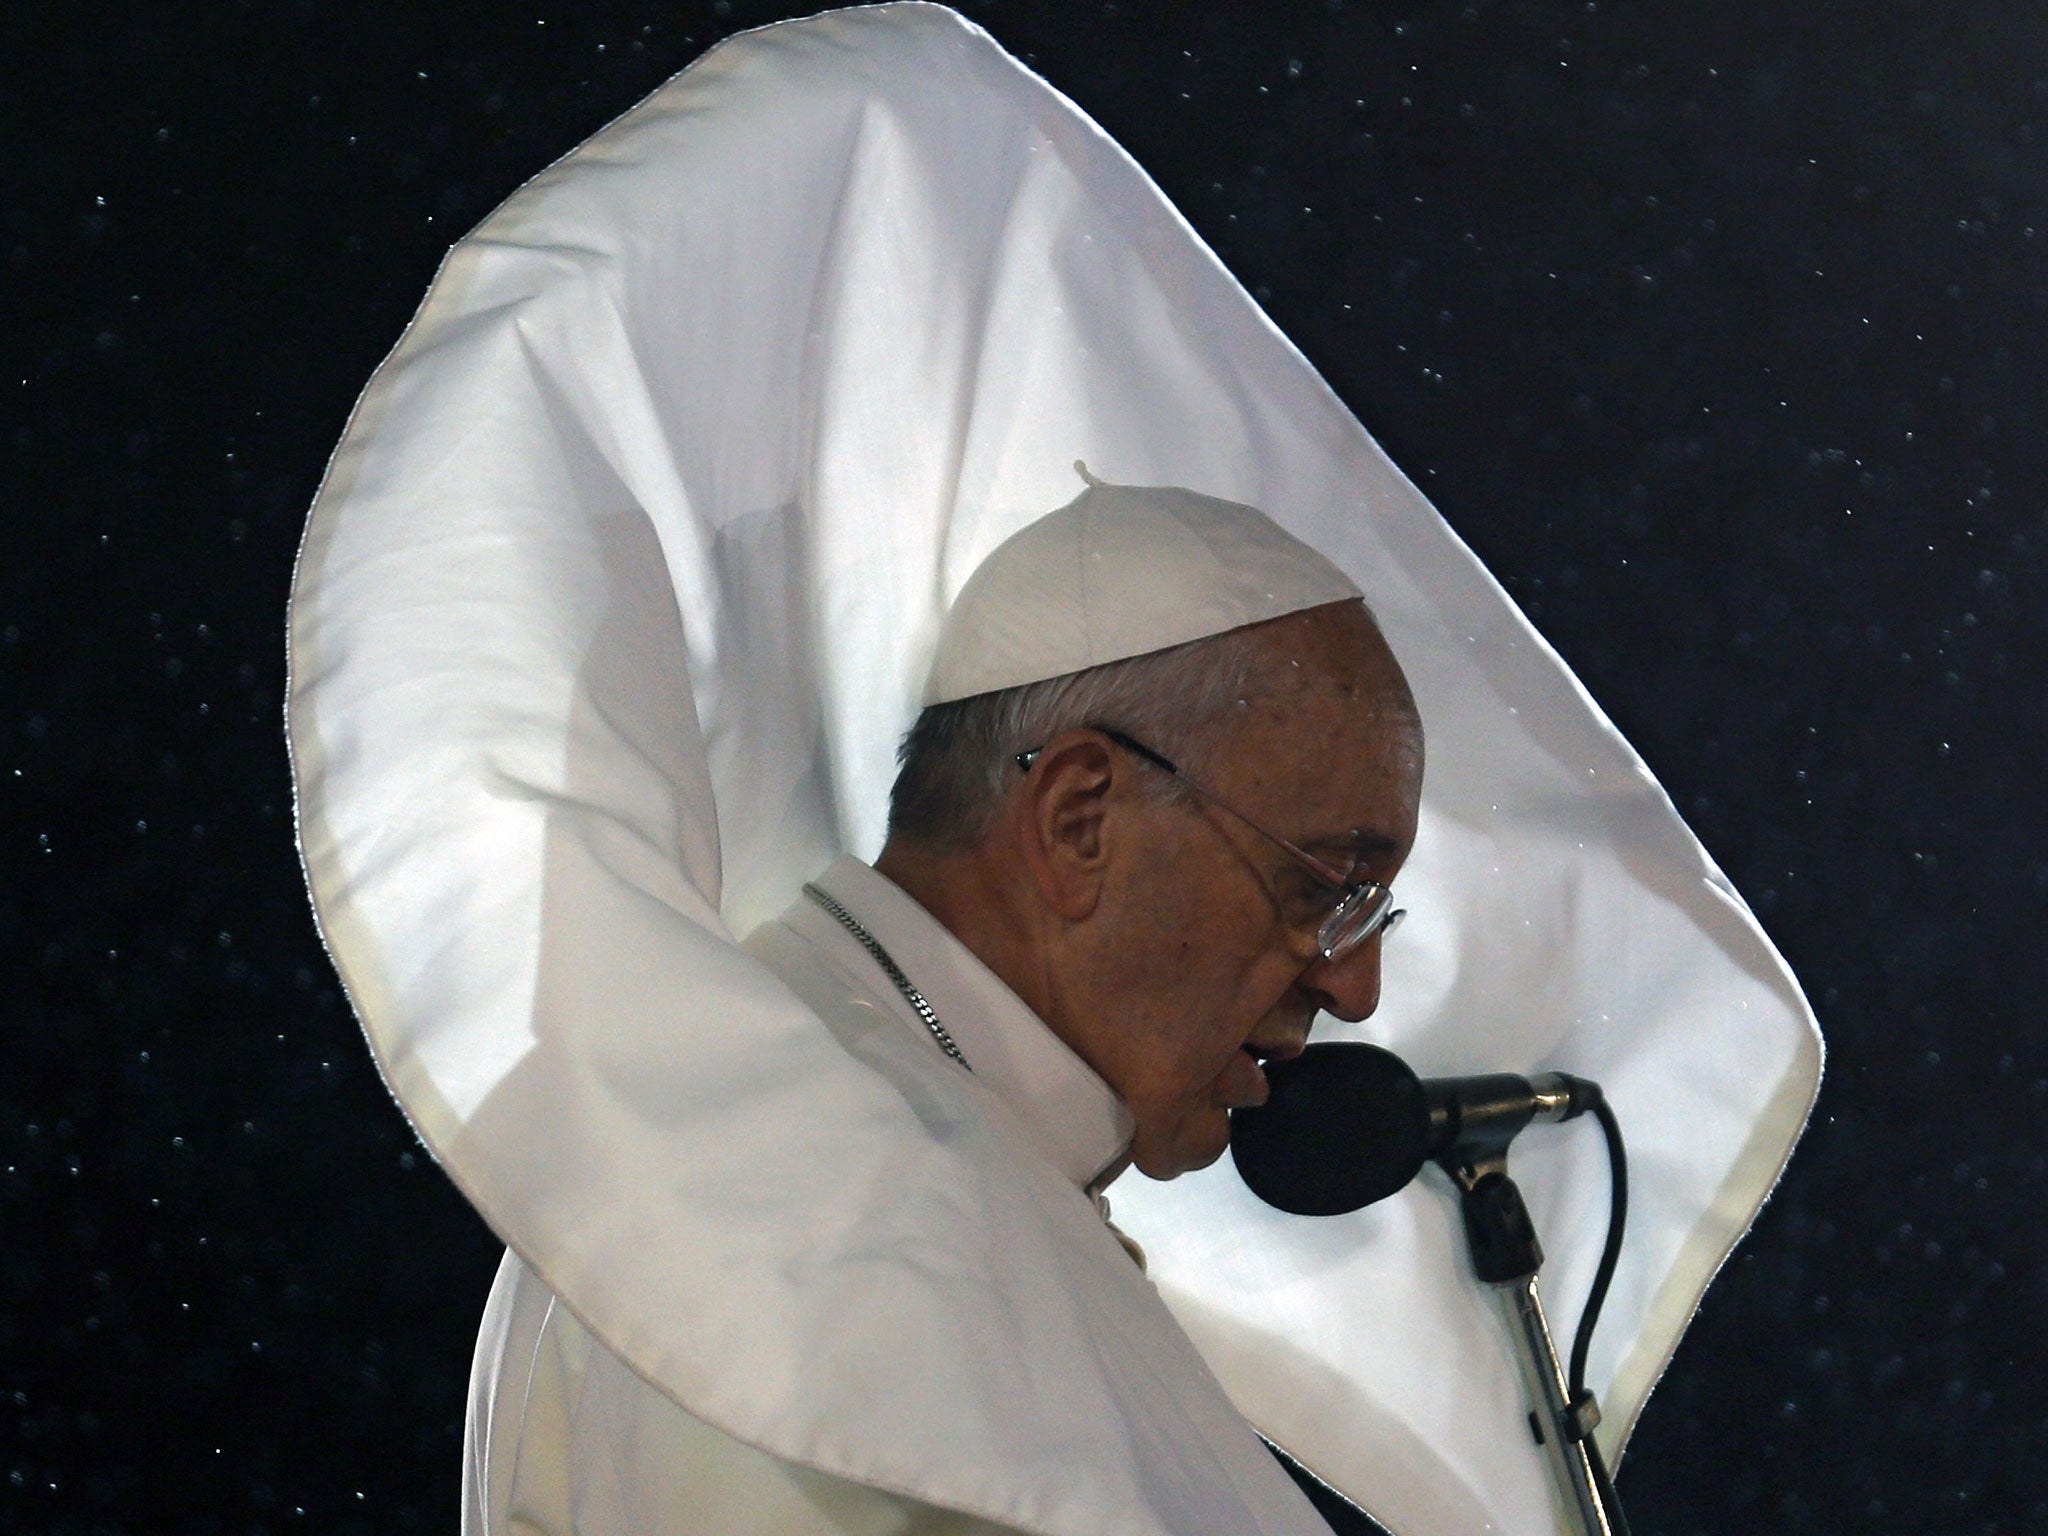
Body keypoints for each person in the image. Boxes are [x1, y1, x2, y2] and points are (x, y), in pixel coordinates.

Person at [463, 474, 1422, 1536]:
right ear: (1077, 821)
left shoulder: (801, 1112)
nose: (1353, 983)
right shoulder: (835, 1206)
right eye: (1326, 889)